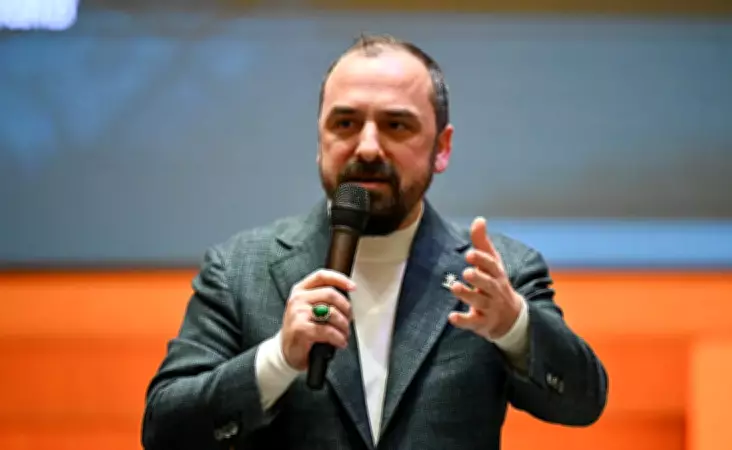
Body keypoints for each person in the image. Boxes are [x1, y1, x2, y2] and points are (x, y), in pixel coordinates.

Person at [141, 33, 608, 450]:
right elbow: (165, 430)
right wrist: (277, 360)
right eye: (345, 124)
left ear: (442, 148)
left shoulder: (499, 272)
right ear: (319, 141)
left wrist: (514, 328)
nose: (367, 147)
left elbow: (583, 402)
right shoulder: (241, 269)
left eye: (396, 125)